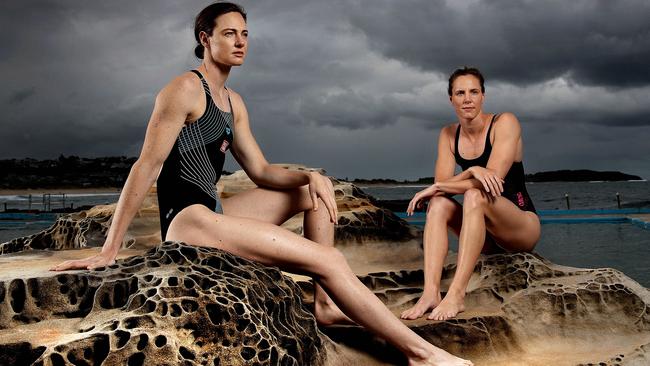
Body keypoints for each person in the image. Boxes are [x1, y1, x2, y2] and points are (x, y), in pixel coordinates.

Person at [51, 3, 472, 365]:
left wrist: (311, 175)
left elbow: (262, 171)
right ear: (205, 38)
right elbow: (146, 166)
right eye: (229, 33)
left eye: (246, 34)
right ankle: (421, 354)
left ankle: (326, 305)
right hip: (187, 221)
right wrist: (109, 249)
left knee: (310, 192)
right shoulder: (183, 89)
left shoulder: (234, 103)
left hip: (213, 212)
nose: (240, 42)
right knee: (331, 261)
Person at [400, 67, 540, 322]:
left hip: (520, 226)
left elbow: (492, 180)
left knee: (474, 195)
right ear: (451, 99)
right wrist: (471, 171)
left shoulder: (504, 122)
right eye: (460, 93)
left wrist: (446, 183)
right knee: (439, 202)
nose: (467, 99)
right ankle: (430, 293)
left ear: (483, 96)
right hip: (484, 235)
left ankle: (456, 295)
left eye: (474, 92)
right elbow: (442, 185)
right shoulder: (448, 134)